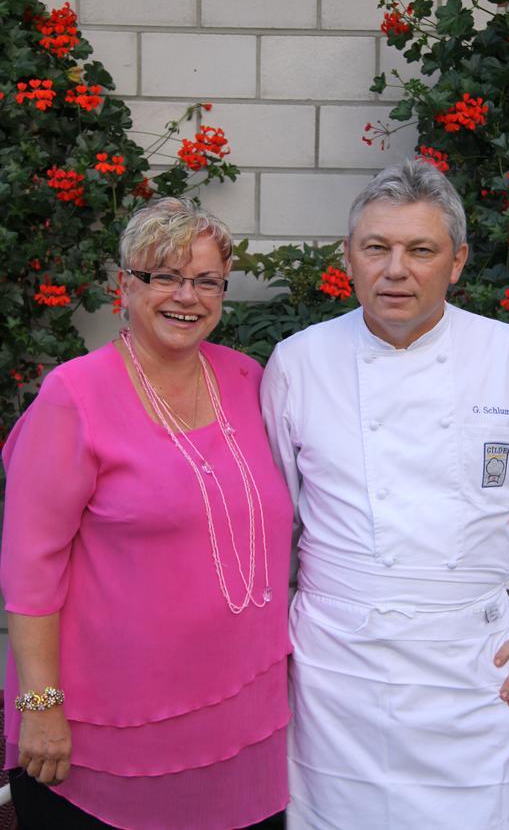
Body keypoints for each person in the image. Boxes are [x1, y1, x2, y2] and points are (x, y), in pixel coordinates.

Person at [260, 160, 509, 830]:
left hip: (473, 671)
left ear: (457, 261)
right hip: (336, 672)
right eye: (376, 248)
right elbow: (272, 524)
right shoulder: (298, 362)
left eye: (420, 250)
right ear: (349, 258)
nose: (396, 270)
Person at [1, 198, 292, 830]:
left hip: (245, 722)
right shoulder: (73, 396)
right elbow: (30, 567)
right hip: (104, 732)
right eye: (164, 276)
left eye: (206, 280)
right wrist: (40, 705)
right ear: (125, 286)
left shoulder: (250, 380)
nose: (186, 296)